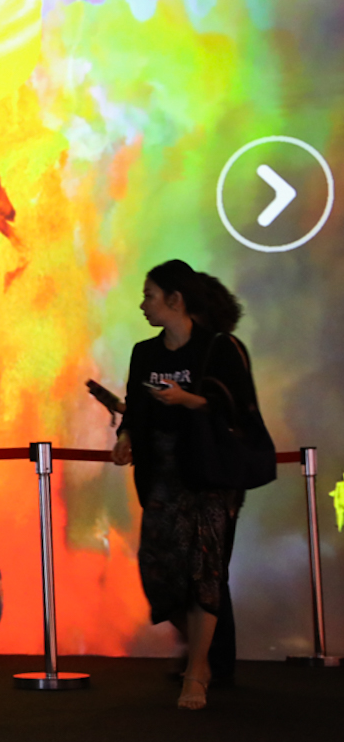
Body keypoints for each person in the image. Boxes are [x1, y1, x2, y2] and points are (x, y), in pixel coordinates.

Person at [111, 259, 258, 710]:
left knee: (204, 573)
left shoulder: (219, 348)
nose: (143, 305)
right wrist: (125, 436)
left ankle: (198, 671)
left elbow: (237, 409)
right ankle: (200, 653)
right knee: (158, 571)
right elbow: (136, 407)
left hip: (209, 475)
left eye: (149, 296)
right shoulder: (145, 352)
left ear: (175, 300)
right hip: (161, 477)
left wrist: (187, 399)